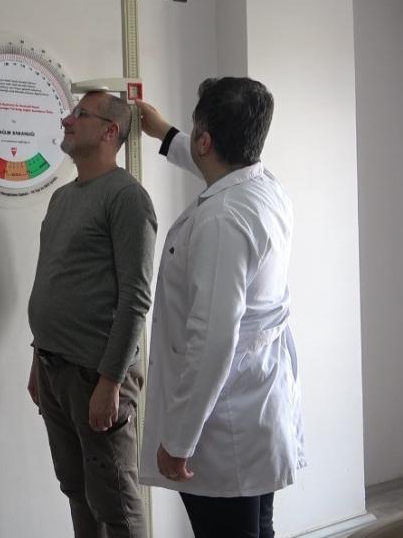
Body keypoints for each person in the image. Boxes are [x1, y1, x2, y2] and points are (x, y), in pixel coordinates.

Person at [136, 78, 306, 538]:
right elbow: (217, 169)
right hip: (256, 405)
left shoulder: (222, 219)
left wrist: (179, 441)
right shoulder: (265, 186)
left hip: (223, 424)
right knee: (257, 529)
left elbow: (213, 341)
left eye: (195, 130)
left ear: (206, 140)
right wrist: (166, 134)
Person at [27, 91, 157, 538]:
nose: (67, 120)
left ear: (109, 131)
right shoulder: (62, 198)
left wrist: (110, 381)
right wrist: (38, 359)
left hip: (96, 376)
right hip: (55, 369)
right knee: (77, 490)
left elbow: (136, 298)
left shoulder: (127, 198)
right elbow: (53, 281)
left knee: (115, 502)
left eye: (80, 114)